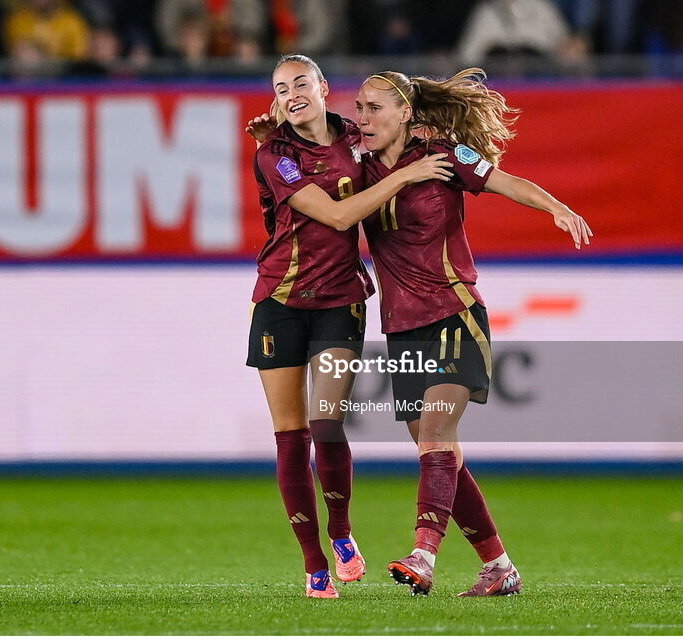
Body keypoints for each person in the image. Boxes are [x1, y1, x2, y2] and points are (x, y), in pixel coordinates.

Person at [354, 69, 592, 597]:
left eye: (374, 108)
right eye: (359, 107)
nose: (362, 118)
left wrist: (556, 207)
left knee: (436, 438)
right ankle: (499, 568)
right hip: (401, 328)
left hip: (454, 313)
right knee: (442, 455)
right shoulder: (358, 163)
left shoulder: (446, 156)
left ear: (406, 114)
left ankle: (423, 554)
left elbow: (507, 182)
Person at [245, 54, 453, 599]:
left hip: (340, 305)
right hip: (280, 303)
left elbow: (397, 137)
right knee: (289, 435)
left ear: (321, 88)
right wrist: (409, 173)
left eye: (299, 82)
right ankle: (314, 565)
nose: (290, 93)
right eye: (279, 86)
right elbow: (339, 216)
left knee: (325, 424)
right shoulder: (275, 154)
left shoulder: (355, 140)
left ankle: (341, 533)